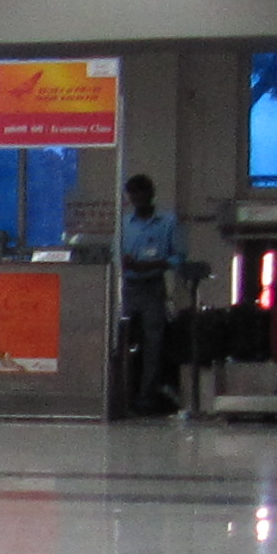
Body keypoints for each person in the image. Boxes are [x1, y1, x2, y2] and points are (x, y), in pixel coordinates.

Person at [119, 174, 186, 414]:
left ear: (151, 194)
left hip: (153, 286)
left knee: (153, 344)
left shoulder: (167, 222)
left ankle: (146, 397)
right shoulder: (124, 224)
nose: (137, 199)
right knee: (122, 340)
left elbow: (178, 257)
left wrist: (151, 264)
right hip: (127, 287)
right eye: (132, 195)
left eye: (141, 193)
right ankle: (123, 394)